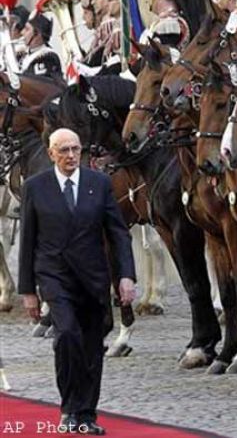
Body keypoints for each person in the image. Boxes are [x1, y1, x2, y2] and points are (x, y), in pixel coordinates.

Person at [19, 128, 136, 435]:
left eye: (76, 149)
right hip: (54, 277)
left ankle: (87, 414)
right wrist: (28, 291)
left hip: (93, 278)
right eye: (64, 150)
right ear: (51, 153)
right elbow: (28, 239)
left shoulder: (99, 183)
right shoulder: (35, 187)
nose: (71, 156)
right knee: (67, 336)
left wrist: (126, 275)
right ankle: (69, 408)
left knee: (91, 347)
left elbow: (118, 232)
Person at [19, 12, 62, 79]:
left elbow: (38, 84)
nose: (22, 32)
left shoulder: (48, 57)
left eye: (27, 29)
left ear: (37, 34)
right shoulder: (22, 54)